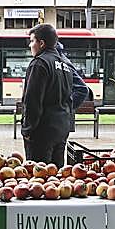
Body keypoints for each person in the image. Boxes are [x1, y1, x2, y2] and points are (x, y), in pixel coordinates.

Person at [21, 23, 76, 165]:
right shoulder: (66, 65)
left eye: (32, 41)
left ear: (42, 43)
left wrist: (27, 130)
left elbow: (32, 100)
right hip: (61, 129)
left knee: (39, 178)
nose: (30, 45)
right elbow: (69, 98)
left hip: (42, 131)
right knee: (55, 177)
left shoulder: (39, 63)